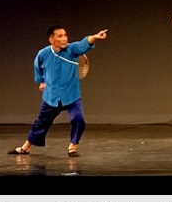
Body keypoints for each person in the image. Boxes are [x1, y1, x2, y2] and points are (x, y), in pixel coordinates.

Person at [8, 26, 108, 157]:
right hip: (51, 96)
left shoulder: (72, 50)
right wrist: (42, 81)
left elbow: (83, 44)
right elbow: (38, 67)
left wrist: (95, 37)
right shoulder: (43, 53)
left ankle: (72, 147)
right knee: (41, 123)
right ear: (51, 39)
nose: (64, 38)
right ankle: (25, 148)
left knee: (78, 119)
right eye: (60, 36)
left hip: (71, 94)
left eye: (65, 35)